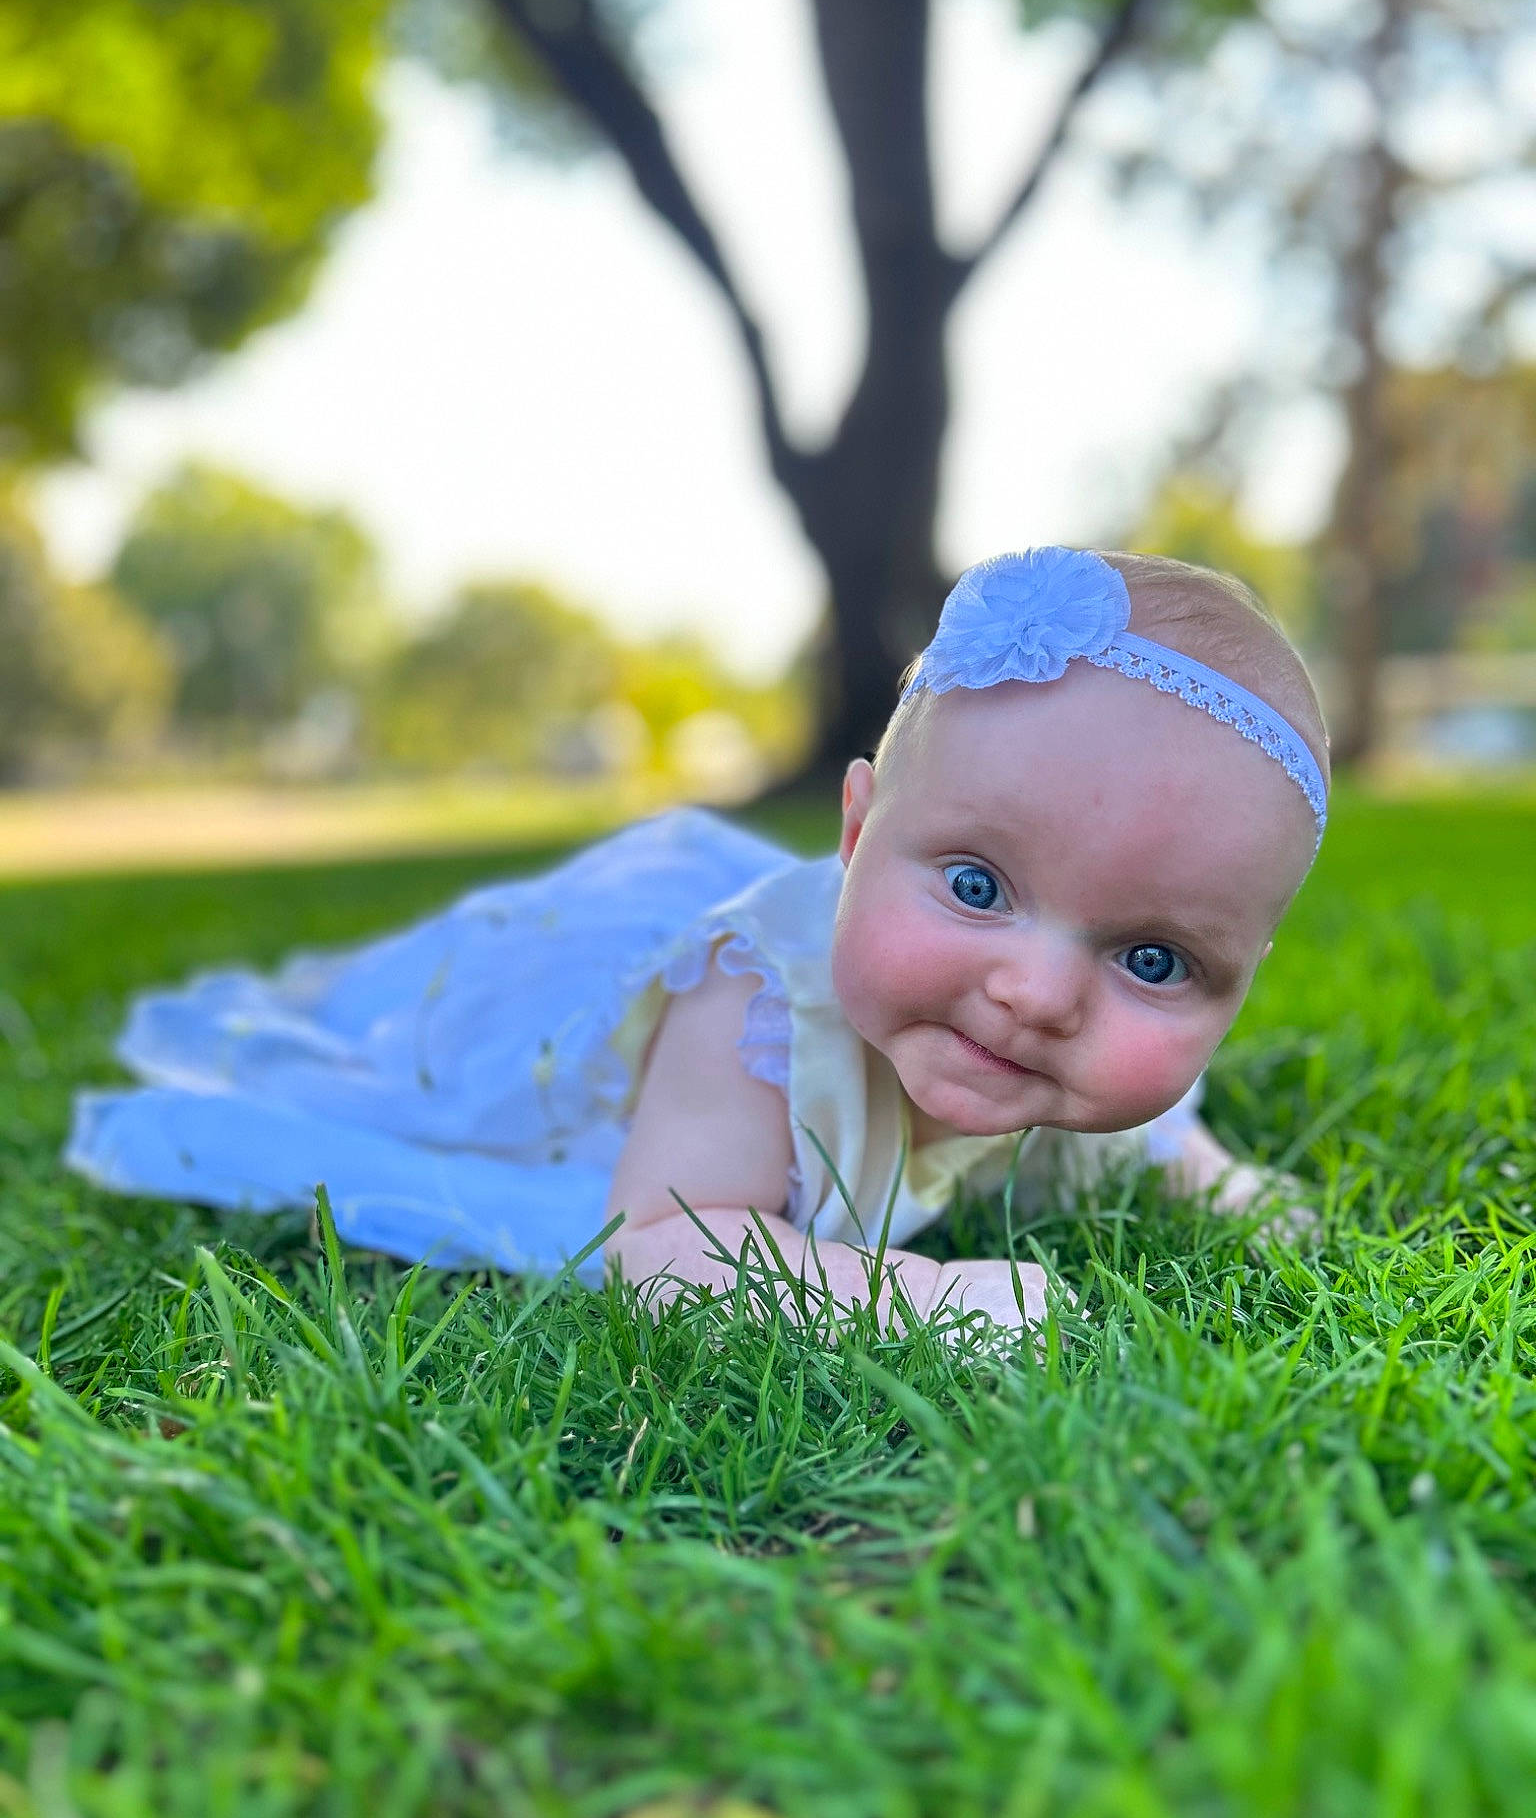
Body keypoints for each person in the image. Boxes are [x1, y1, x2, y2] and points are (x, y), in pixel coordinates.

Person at [68, 547, 1329, 1337]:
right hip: (556, 1028)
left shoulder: (1034, 1031)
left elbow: (1156, 1119)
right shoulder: (757, 1011)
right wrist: (912, 1299)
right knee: (408, 1043)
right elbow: (667, 1241)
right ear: (854, 838)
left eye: (1153, 959)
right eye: (977, 883)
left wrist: (1207, 1170)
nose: (1038, 990)